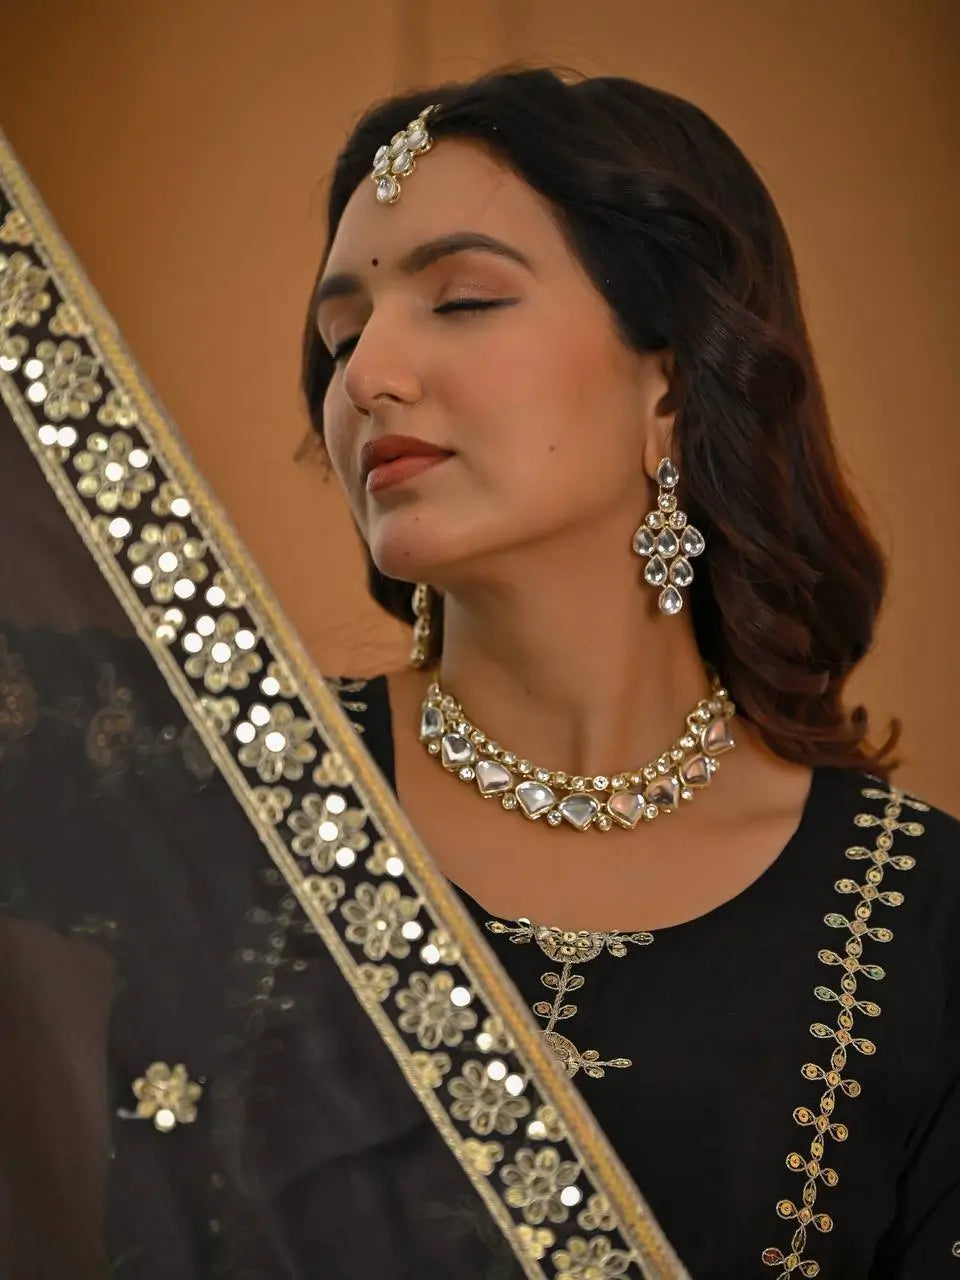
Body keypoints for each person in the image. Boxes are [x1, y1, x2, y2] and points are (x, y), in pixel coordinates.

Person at [301, 66, 960, 1277]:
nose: (365, 374)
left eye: (465, 299)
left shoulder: (921, 920)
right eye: (343, 335)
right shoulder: (240, 799)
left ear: (674, 379)